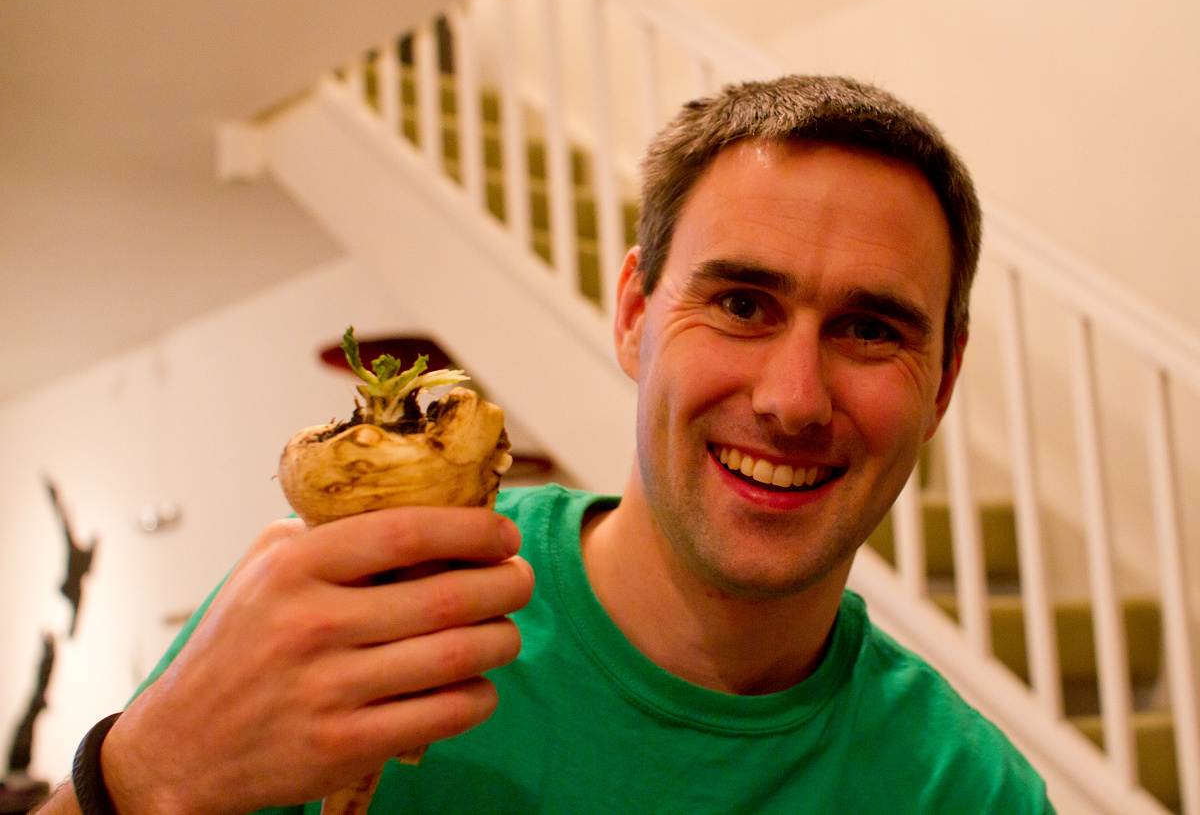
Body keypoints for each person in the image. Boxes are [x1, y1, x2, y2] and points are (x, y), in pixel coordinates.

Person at [41, 75, 1053, 814]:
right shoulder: (342, 619)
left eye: (871, 329)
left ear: (942, 383)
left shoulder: (968, 791)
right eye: (742, 303)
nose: (792, 399)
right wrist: (144, 777)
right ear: (633, 315)